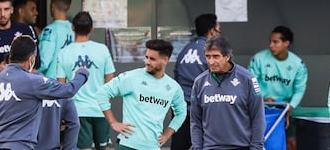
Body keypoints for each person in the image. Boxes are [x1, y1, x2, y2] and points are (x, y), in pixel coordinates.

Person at [0, 35, 89, 150]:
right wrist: (82, 74)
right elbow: (68, 90)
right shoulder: (33, 81)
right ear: (31, 59)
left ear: (10, 57)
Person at [96, 39, 187, 150]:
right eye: (146, 57)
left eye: (152, 59)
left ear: (165, 60)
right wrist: (113, 122)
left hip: (153, 147)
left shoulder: (174, 87)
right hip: (127, 146)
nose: (147, 62)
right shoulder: (132, 77)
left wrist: (167, 135)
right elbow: (102, 93)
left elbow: (181, 113)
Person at [190, 36, 266, 150]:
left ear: (227, 56)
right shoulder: (199, 82)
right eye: (208, 57)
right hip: (210, 147)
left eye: (216, 56)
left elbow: (258, 117)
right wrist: (197, 147)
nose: (211, 61)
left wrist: (256, 147)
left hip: (241, 147)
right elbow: (195, 121)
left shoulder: (248, 79)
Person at [57, 11, 116, 150]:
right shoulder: (102, 49)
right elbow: (110, 79)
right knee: (106, 147)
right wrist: (104, 100)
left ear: (72, 27)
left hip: (77, 111)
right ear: (91, 28)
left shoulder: (63, 52)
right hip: (100, 109)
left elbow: (61, 85)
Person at [248, 25, 308, 150]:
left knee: (291, 143)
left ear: (286, 43)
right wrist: (261, 98)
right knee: (261, 143)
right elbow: (250, 82)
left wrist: (290, 107)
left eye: (275, 42)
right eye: (270, 41)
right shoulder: (259, 59)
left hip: (286, 108)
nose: (271, 45)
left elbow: (299, 89)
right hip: (262, 107)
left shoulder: (298, 64)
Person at [171, 13, 220, 150]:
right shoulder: (212, 53)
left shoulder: (184, 50)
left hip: (181, 109)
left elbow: (177, 77)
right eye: (218, 30)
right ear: (212, 31)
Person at [39, 0, 74, 78]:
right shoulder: (74, 29)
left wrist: (28, 71)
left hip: (53, 84)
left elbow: (44, 62)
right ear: (68, 7)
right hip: (71, 83)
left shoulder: (49, 30)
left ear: (52, 5)